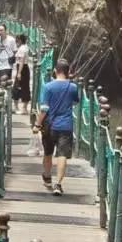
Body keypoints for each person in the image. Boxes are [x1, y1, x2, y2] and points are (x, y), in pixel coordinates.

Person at [37, 58, 80, 195]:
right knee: (62, 155)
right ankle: (58, 184)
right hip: (66, 126)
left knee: (48, 153)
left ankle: (47, 176)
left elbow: (44, 109)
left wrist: (37, 124)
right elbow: (75, 102)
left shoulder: (48, 87)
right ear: (68, 72)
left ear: (55, 71)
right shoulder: (72, 87)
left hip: (50, 125)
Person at [12, 36, 32, 113]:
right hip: (23, 69)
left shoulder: (22, 49)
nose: (16, 43)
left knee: (17, 88)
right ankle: (23, 108)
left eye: (17, 41)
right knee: (24, 88)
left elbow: (21, 61)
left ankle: (19, 108)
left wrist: (19, 73)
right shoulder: (25, 47)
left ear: (20, 40)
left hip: (22, 69)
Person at [0, 23, 16, 88]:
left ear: (5, 31)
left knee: (5, 83)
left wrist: (12, 59)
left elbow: (15, 51)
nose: (0, 32)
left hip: (7, 64)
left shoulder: (11, 40)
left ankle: (6, 96)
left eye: (1, 30)